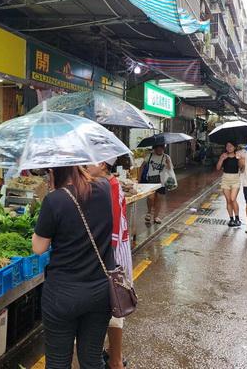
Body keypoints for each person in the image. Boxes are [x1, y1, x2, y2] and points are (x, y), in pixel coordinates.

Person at [32, 165, 114, 369]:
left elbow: (39, 248)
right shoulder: (104, 187)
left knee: (58, 363)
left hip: (63, 294)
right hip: (100, 291)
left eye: (47, 172)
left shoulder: (54, 200)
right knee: (92, 360)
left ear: (54, 170)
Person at [85, 158, 132, 369]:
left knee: (113, 304)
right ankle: (114, 354)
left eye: (91, 162)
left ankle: (115, 360)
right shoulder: (108, 183)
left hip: (111, 253)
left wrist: (105, 258)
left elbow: (111, 227)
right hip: (114, 250)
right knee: (112, 303)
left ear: (103, 164)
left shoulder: (109, 187)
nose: (87, 166)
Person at [139, 144, 172, 224]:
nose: (159, 152)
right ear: (154, 149)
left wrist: (168, 163)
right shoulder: (150, 156)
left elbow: (170, 169)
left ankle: (156, 216)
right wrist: (139, 177)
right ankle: (149, 212)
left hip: (161, 180)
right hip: (151, 179)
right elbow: (142, 166)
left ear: (163, 150)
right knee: (151, 197)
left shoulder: (166, 157)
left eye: (161, 150)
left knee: (159, 198)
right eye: (157, 150)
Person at [216, 141, 244, 227]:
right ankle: (231, 219)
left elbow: (242, 169)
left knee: (233, 199)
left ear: (235, 147)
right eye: (227, 146)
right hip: (225, 178)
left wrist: (240, 159)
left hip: (235, 178)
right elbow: (218, 168)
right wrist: (221, 159)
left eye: (231, 146)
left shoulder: (238, 155)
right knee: (228, 200)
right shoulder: (223, 156)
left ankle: (237, 219)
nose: (229, 148)